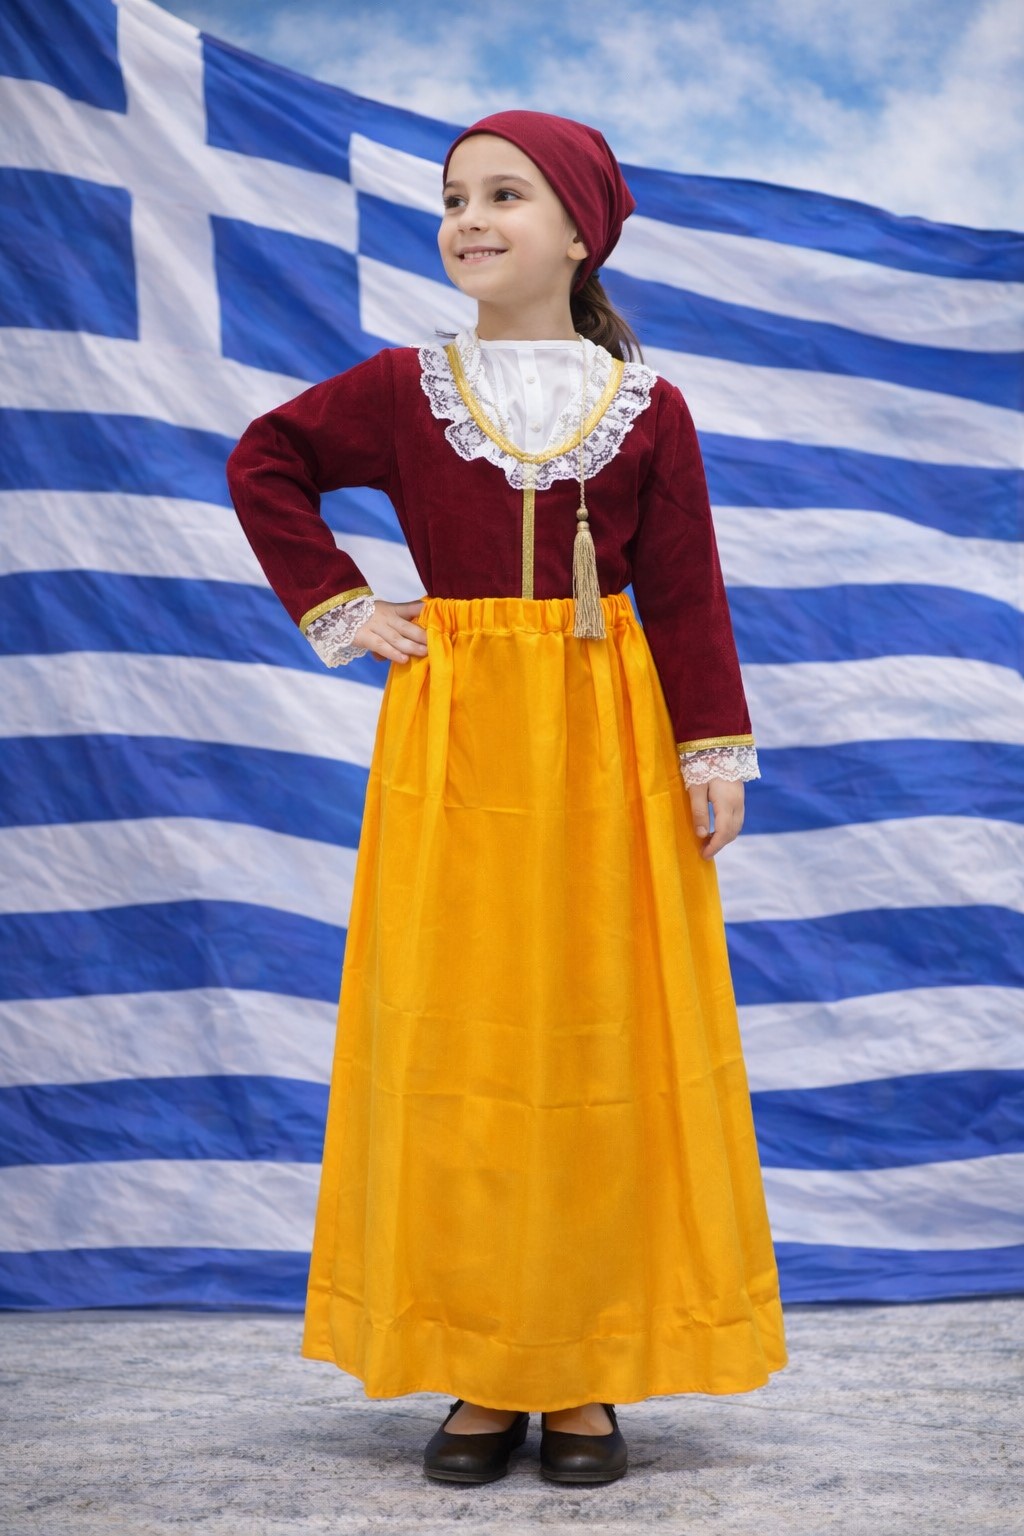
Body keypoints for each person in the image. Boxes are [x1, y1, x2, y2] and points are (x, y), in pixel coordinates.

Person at [226, 107, 788, 1489]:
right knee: (466, 1042)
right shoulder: (404, 388)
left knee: (597, 1040)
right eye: (455, 198)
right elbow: (266, 460)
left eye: (505, 196)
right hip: (462, 743)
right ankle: (482, 1360)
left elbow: (689, 590)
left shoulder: (650, 409)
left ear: (580, 233)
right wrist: (344, 605)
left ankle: (582, 1364)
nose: (470, 220)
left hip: (607, 740)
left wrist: (712, 749)